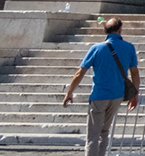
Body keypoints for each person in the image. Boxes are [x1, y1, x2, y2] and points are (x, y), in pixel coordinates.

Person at [60, 16, 139, 156]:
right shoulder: (129, 47)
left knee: (93, 135)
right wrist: (135, 94)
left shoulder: (96, 48)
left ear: (105, 31)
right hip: (117, 95)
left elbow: (80, 72)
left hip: (99, 96)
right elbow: (135, 72)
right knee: (104, 132)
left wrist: (69, 92)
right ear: (120, 30)